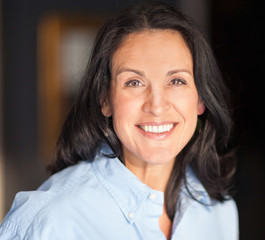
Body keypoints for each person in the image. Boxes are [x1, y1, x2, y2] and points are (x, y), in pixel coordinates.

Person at [0, 1, 238, 239]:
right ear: (105, 100)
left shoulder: (217, 212)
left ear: (200, 99)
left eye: (177, 81)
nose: (156, 106)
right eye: (134, 82)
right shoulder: (51, 221)